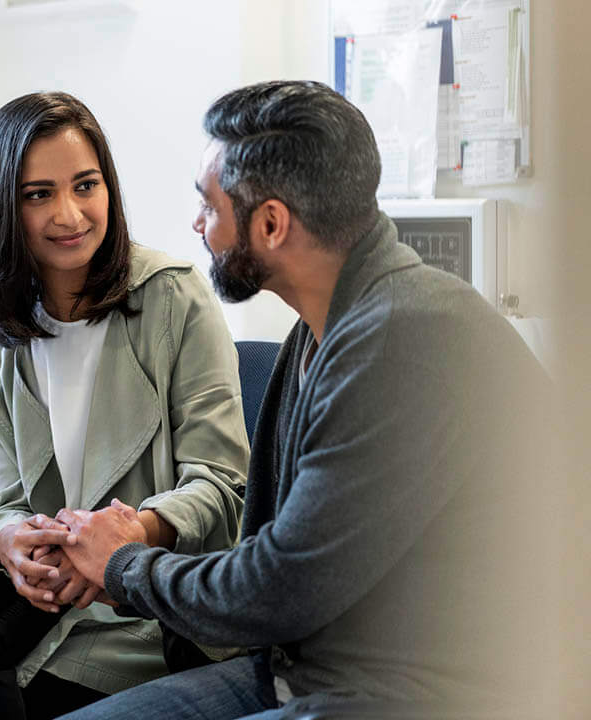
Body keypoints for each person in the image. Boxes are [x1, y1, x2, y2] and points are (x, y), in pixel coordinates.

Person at [53, 81, 551, 719]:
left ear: (270, 223)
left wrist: (124, 564)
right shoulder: (321, 330)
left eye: (208, 206)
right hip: (306, 669)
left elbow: (284, 585)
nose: (197, 225)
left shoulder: (407, 336)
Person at [0, 91, 250, 720]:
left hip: (150, 593)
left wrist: (122, 538)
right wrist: (13, 538)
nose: (69, 214)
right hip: (51, 593)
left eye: (85, 185)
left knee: (23, 685)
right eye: (38, 194)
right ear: (2, 209)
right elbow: (7, 500)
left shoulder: (175, 300)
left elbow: (221, 484)